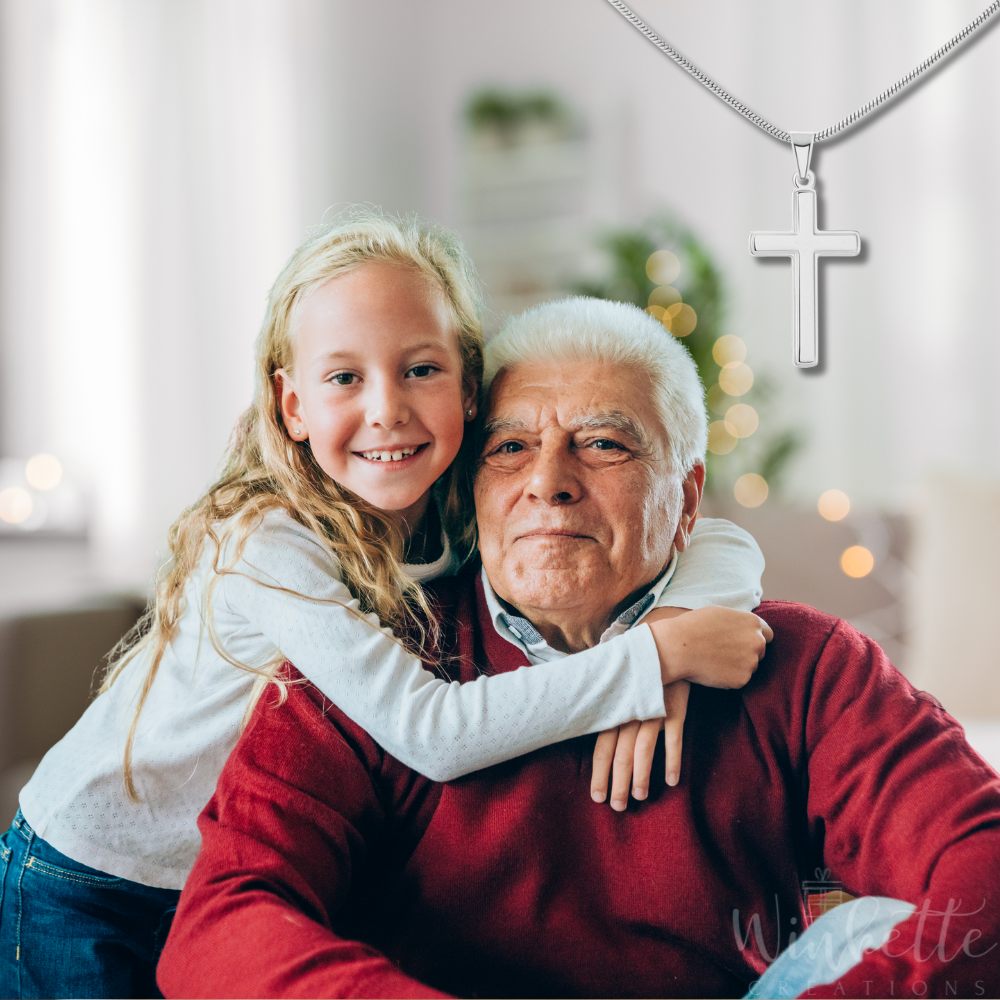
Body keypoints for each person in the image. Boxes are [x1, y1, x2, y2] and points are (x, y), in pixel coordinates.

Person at [0, 215, 768, 1000]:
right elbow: (428, 732)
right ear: (291, 404)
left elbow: (719, 537)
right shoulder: (268, 543)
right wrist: (654, 661)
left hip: (217, 877)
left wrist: (681, 613)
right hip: (85, 879)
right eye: (345, 379)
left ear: (468, 387)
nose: (387, 410)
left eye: (420, 370)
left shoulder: (452, 504)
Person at [158, 297, 1000, 999]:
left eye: (604, 443)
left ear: (686, 496)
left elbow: (981, 857)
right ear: (470, 487)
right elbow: (221, 924)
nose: (548, 481)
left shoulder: (804, 667)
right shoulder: (375, 662)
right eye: (510, 447)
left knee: (870, 927)